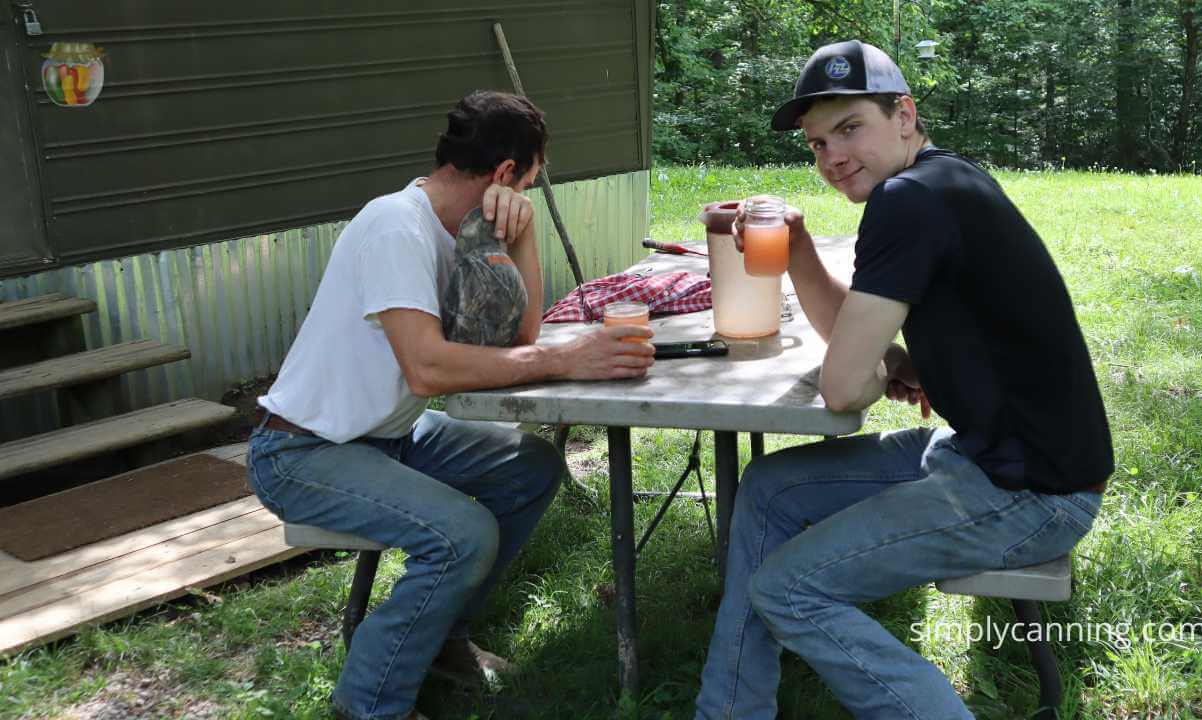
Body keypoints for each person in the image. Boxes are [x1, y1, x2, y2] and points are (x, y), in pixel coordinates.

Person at [694, 40, 1113, 720]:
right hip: (984, 453)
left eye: (849, 128)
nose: (832, 158)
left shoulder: (908, 200)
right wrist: (801, 251)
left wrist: (881, 363)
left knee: (789, 590)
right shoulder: (941, 180)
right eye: (817, 143)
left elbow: (842, 390)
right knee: (769, 488)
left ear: (905, 115)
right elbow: (859, 352)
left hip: (1031, 493)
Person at [247, 90, 655, 720]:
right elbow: (430, 366)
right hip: (302, 450)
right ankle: (367, 704)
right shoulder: (395, 226)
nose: (527, 195)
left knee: (532, 467)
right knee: (462, 535)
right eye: (531, 185)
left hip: (386, 435)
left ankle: (438, 641)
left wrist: (520, 237)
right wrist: (566, 359)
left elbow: (522, 337)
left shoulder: (459, 231)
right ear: (504, 175)